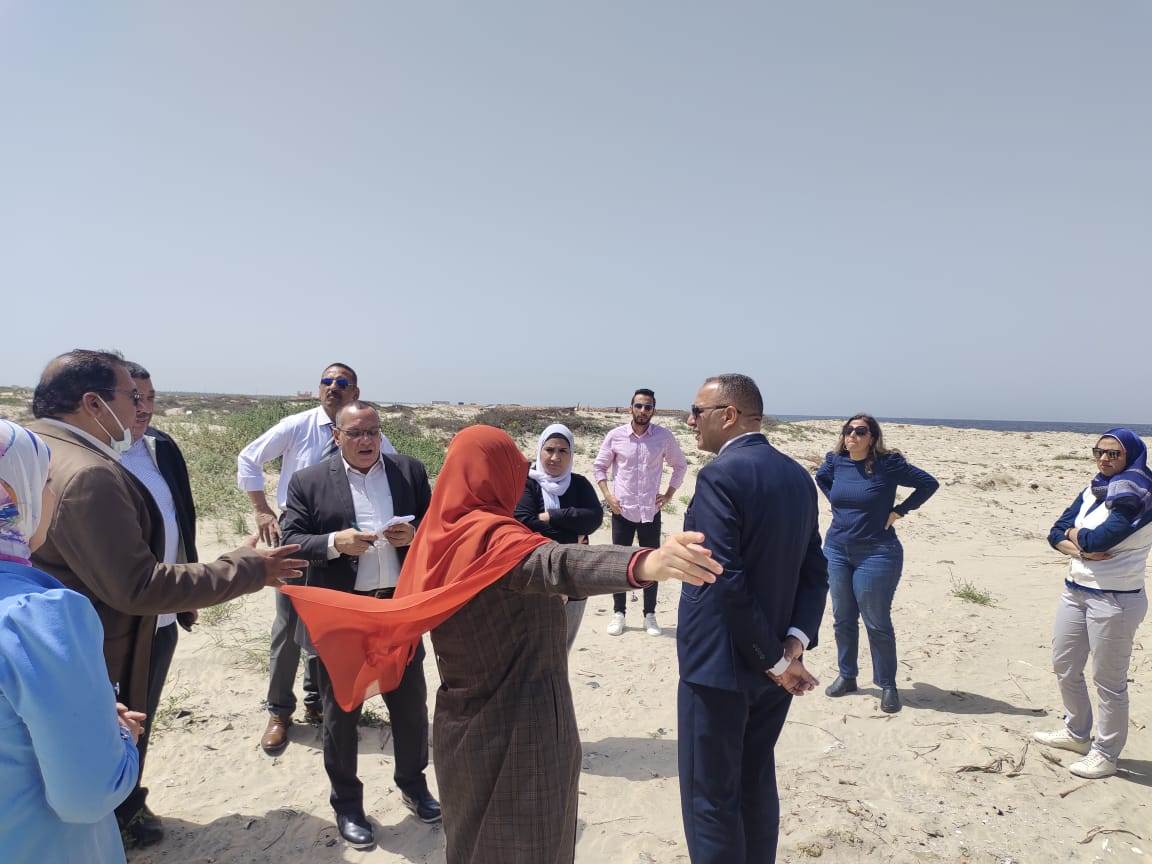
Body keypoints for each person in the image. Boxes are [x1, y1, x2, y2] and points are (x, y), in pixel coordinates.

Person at [283, 425, 721, 864]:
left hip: (460, 725)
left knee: (471, 841)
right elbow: (556, 564)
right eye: (513, 467)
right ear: (493, 475)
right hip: (522, 724)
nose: (520, 477)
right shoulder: (492, 539)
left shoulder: (437, 536)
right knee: (528, 844)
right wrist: (646, 562)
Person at [27, 349, 306, 844]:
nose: (141, 408)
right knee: (102, 753)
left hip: (79, 636)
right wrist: (249, 568)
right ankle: (113, 825)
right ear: (93, 403)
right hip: (105, 644)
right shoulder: (89, 472)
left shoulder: (35, 447)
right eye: (131, 397)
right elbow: (138, 586)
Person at [678, 374, 829, 864]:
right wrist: (794, 644)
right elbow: (815, 570)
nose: (690, 421)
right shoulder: (797, 476)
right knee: (755, 780)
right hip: (776, 666)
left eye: (697, 411)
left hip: (720, 668)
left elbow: (724, 576)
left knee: (710, 796)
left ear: (728, 415)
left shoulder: (720, 476)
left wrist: (776, 659)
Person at [279, 402, 439, 848]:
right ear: (337, 436)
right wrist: (336, 542)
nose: (366, 440)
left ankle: (413, 784)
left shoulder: (408, 471)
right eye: (355, 433)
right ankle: (348, 805)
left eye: (373, 431)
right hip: (344, 615)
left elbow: (436, 526)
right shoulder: (308, 481)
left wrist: (415, 536)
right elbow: (291, 540)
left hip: (397, 610)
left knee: (410, 705)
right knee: (341, 714)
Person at [0, 418, 146, 864]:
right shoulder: (36, 616)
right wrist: (119, 736)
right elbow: (88, 794)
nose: (50, 496)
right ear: (12, 495)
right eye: (44, 481)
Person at [236, 363, 395, 753]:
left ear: (355, 391)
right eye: (327, 381)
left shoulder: (369, 433)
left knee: (327, 627)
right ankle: (279, 712)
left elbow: (392, 473)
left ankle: (317, 701)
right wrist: (262, 510)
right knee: (289, 627)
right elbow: (249, 458)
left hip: (345, 547)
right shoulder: (298, 426)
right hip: (299, 539)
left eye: (342, 383)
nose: (332, 388)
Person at [114, 361, 200, 845]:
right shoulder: (94, 454)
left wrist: (189, 586)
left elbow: (182, 516)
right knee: (107, 716)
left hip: (161, 614)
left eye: (150, 397)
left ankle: (128, 805)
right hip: (112, 619)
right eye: (134, 397)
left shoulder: (161, 448)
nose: (144, 407)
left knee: (141, 714)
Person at [1034, 428, 1152, 779]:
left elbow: (1102, 538)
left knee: (1108, 681)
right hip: (1075, 590)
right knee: (1065, 665)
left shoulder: (1139, 495)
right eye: (1099, 451)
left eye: (1114, 453)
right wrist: (1081, 548)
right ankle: (1077, 733)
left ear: (1131, 456)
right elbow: (1055, 531)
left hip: (1116, 599)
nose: (1104, 458)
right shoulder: (1094, 489)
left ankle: (1106, 753)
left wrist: (1076, 539)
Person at [815, 413, 938, 714]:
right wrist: (838, 503)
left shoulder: (888, 464)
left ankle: (887, 685)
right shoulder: (835, 462)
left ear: (872, 437)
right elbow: (821, 479)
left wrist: (899, 511)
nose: (852, 436)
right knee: (843, 618)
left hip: (877, 553)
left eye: (860, 431)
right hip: (836, 550)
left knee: (876, 621)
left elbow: (928, 484)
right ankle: (847, 676)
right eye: (848, 430)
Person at [593, 388, 687, 636]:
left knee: (652, 564)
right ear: (630, 408)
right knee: (618, 564)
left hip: (650, 512)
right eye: (639, 406)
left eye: (648, 407)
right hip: (621, 511)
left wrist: (669, 494)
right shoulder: (615, 436)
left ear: (653, 410)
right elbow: (599, 467)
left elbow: (680, 465)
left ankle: (649, 615)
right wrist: (608, 496)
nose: (643, 411)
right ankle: (619, 613)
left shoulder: (663, 437)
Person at [514, 423, 604, 651]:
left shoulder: (579, 484)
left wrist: (552, 515)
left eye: (563, 450)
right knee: (535, 647)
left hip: (574, 576)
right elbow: (524, 522)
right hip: (537, 575)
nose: (555, 457)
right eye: (549, 450)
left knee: (563, 646)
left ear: (571, 454)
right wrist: (571, 538)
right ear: (539, 450)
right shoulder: (527, 483)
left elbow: (593, 518)